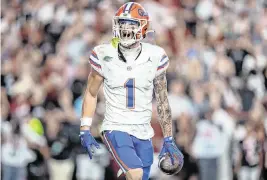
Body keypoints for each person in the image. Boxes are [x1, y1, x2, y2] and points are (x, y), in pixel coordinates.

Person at [79, 2, 183, 180]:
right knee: (135, 174)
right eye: (122, 23)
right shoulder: (104, 54)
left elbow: (162, 100)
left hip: (143, 131)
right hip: (115, 127)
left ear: (142, 27)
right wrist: (85, 128)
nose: (125, 29)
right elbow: (91, 92)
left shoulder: (155, 56)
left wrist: (168, 138)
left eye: (131, 24)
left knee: (140, 176)